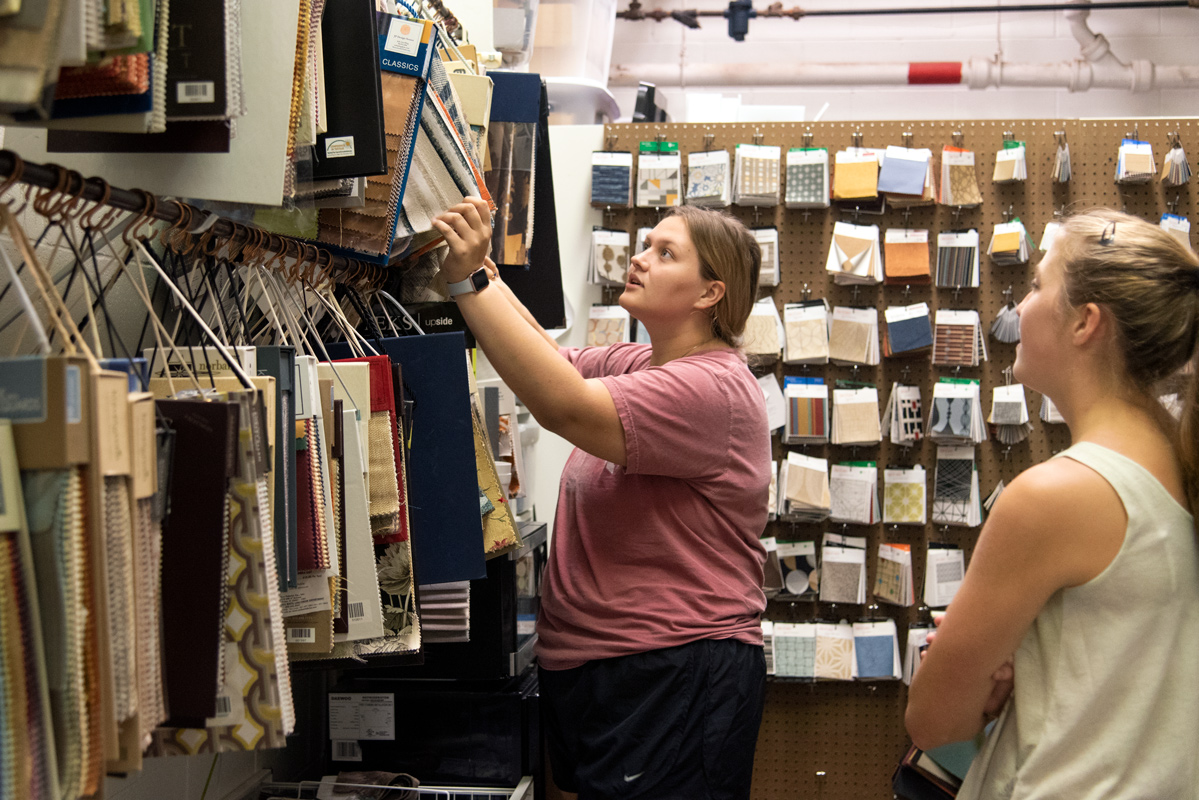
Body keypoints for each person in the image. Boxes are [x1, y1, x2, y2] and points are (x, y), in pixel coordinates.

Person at [432, 198, 773, 800]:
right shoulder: (638, 363)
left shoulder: (711, 388)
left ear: (709, 294)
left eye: (665, 253)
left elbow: (561, 404)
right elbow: (543, 359)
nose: (639, 259)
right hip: (599, 667)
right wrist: (482, 270)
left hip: (673, 669)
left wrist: (468, 280)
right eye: (647, 245)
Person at [905, 209, 1199, 799]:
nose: (1020, 307)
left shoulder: (1055, 495)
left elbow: (933, 721)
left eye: (1039, 286)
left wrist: (981, 680)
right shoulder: (1177, 464)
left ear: (1085, 323)